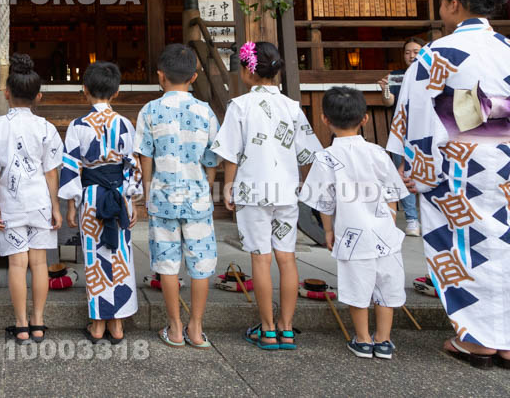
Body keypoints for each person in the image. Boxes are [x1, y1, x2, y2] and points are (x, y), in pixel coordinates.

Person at [387, 0, 510, 368]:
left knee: (463, 247)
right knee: (507, 246)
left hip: (457, 167)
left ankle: (476, 339)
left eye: (442, 3)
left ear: (455, 4)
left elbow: (418, 117)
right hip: (508, 165)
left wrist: (415, 169)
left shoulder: (436, 55)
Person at [214, 41, 321, 351]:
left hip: (252, 189)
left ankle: (268, 329)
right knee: (286, 259)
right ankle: (287, 329)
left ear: (249, 70)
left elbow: (231, 153)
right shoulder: (292, 106)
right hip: (286, 190)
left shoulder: (240, 106)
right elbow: (306, 154)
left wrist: (228, 186)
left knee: (260, 260)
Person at [301, 87, 409, 360]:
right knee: (386, 287)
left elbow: (324, 202)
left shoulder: (326, 158)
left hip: (351, 234)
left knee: (357, 287)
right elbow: (393, 194)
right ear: (365, 119)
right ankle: (383, 341)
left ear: (325, 120)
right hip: (384, 232)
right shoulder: (378, 153)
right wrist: (391, 219)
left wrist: (327, 230)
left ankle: (362, 339)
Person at [135, 44, 220, 349]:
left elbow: (144, 156)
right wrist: (207, 186)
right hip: (197, 197)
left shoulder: (150, 110)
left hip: (163, 197)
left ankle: (174, 327)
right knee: (201, 264)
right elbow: (212, 157)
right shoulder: (205, 111)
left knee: (168, 265)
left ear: (161, 76)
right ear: (194, 76)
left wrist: (147, 191)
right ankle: (196, 329)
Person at [59, 61, 142, 343]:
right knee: (119, 257)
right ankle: (117, 325)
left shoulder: (77, 125)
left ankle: (97, 325)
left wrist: (71, 205)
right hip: (119, 195)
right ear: (116, 92)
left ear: (85, 90)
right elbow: (132, 164)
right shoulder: (125, 124)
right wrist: (132, 201)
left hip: (91, 196)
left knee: (94, 258)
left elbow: (70, 167)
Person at [0, 54, 64, 343]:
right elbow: (51, 173)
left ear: (6, 93)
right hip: (40, 202)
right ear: (38, 96)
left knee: (18, 265)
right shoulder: (46, 128)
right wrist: (56, 206)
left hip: (10, 202)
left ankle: (20, 325)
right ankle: (39, 322)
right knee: (40, 264)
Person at [379, 37, 425, 237]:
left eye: (416, 51)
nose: (411, 55)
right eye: (407, 52)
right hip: (403, 133)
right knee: (404, 176)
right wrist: (385, 89)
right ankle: (412, 220)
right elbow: (389, 102)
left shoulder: (432, 75)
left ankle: (431, 218)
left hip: (426, 132)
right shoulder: (397, 76)